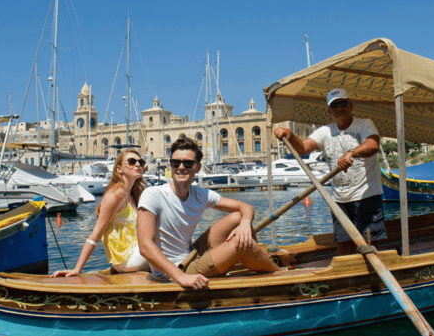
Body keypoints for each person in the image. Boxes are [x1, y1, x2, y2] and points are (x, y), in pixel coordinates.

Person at [137, 137, 279, 289]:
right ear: (169, 166)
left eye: (188, 163)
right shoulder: (153, 194)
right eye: (175, 163)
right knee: (244, 245)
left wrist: (244, 224)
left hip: (191, 255)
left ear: (198, 167)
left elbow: (246, 207)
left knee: (239, 217)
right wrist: (182, 277)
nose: (181, 167)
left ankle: (252, 261)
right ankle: (279, 273)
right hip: (175, 271)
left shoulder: (200, 194)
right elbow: (145, 246)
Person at [274, 87, 386, 256]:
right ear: (329, 111)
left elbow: (373, 145)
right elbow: (303, 148)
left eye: (343, 103)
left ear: (350, 105)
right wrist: (289, 135)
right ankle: (349, 280)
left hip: (366, 197)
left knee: (372, 247)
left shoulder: (364, 124)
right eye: (334, 106)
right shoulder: (325, 131)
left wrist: (352, 153)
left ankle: (375, 281)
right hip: (339, 202)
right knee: (344, 248)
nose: (339, 109)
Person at [51, 150, 149, 277]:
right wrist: (77, 269)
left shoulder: (131, 195)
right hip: (127, 260)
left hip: (135, 253)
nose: (137, 165)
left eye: (140, 162)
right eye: (131, 161)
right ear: (119, 169)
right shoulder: (116, 194)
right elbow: (96, 234)